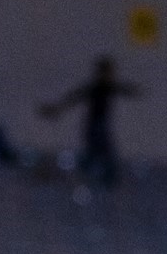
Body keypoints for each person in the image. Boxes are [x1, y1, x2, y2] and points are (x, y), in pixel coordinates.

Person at [41, 57, 143, 186]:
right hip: (96, 126)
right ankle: (98, 180)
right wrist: (57, 108)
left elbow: (122, 89)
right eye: (108, 72)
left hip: (98, 126)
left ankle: (95, 178)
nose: (110, 75)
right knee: (102, 154)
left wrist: (57, 108)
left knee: (98, 154)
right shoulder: (98, 88)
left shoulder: (104, 87)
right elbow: (75, 97)